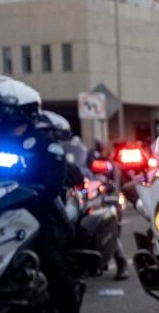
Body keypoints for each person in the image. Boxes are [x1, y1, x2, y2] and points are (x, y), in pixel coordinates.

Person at [0, 74, 85, 313]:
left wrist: (29, 193)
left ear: (14, 110)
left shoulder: (43, 144)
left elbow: (51, 186)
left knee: (51, 260)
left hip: (40, 211)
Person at [40, 110, 129, 281]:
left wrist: (96, 175)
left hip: (79, 193)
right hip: (51, 200)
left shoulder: (73, 151)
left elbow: (85, 169)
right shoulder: (39, 151)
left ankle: (121, 260)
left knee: (104, 218)